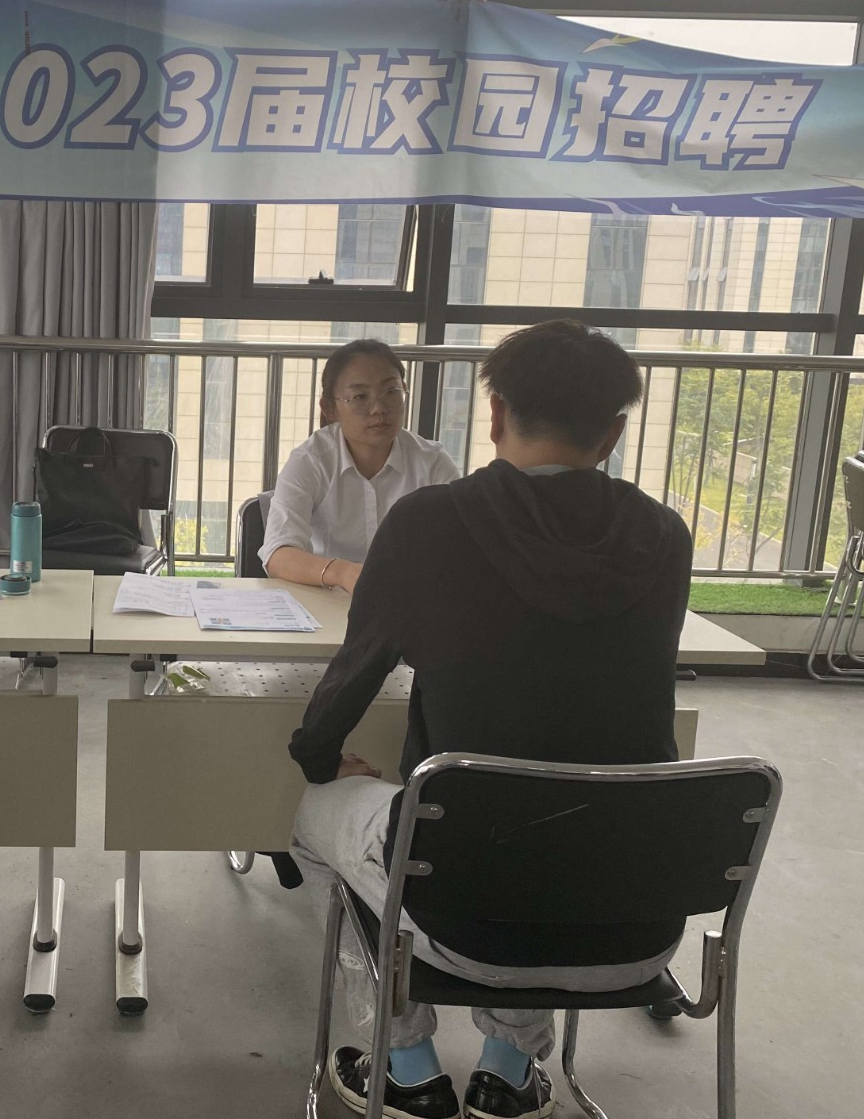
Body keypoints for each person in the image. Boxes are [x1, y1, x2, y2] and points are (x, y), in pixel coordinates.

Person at [288, 320, 691, 1119]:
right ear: (613, 433)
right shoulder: (665, 536)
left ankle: (407, 1065)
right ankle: (506, 1072)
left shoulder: (428, 523)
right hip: (635, 919)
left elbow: (354, 676)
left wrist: (318, 756)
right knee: (545, 812)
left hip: (465, 912)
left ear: (497, 414)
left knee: (318, 814)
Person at [261, 339, 458, 592]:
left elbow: (458, 548)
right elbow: (278, 555)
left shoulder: (433, 463)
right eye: (360, 397)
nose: (379, 409)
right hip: (327, 598)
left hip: (408, 601)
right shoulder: (310, 461)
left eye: (391, 392)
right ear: (330, 408)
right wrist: (342, 573)